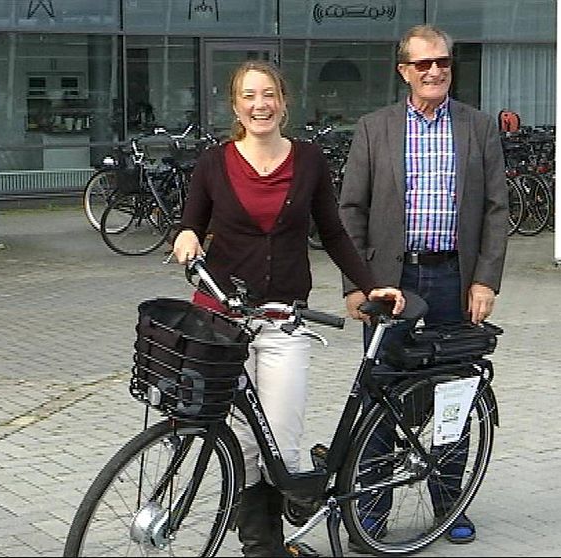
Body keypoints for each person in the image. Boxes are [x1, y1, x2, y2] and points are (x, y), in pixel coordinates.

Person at [172, 60, 405, 558]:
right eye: (250, 96)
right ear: (236, 106)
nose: (261, 105)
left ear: (284, 101)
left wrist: (369, 286)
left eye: (269, 94)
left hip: (284, 317)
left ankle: (306, 486)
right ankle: (264, 547)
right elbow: (190, 222)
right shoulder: (215, 163)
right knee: (245, 442)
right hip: (221, 318)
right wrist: (187, 234)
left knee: (282, 443)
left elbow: (334, 230)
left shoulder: (310, 159)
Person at [338, 24, 509, 546]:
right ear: (403, 72)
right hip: (391, 282)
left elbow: (497, 210)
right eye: (422, 64)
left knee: (454, 396)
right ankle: (371, 509)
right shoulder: (375, 128)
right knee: (381, 394)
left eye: (443, 62)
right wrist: (356, 284)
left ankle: (448, 502)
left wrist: (484, 280)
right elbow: (351, 210)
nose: (434, 71)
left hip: (454, 283)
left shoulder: (478, 128)